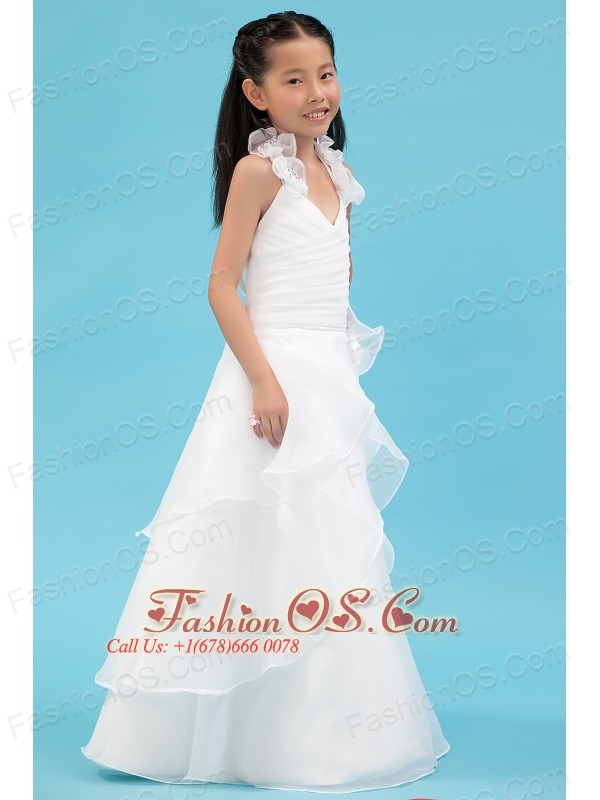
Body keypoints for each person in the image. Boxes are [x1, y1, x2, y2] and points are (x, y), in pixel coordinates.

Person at [81, 10, 451, 792]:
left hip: (325, 379)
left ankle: (325, 732)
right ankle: (220, 727)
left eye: (327, 74)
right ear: (256, 93)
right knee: (252, 534)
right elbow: (223, 285)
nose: (317, 93)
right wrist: (263, 378)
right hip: (270, 376)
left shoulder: (338, 173)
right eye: (294, 80)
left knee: (325, 541)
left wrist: (334, 326)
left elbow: (330, 270)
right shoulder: (260, 173)